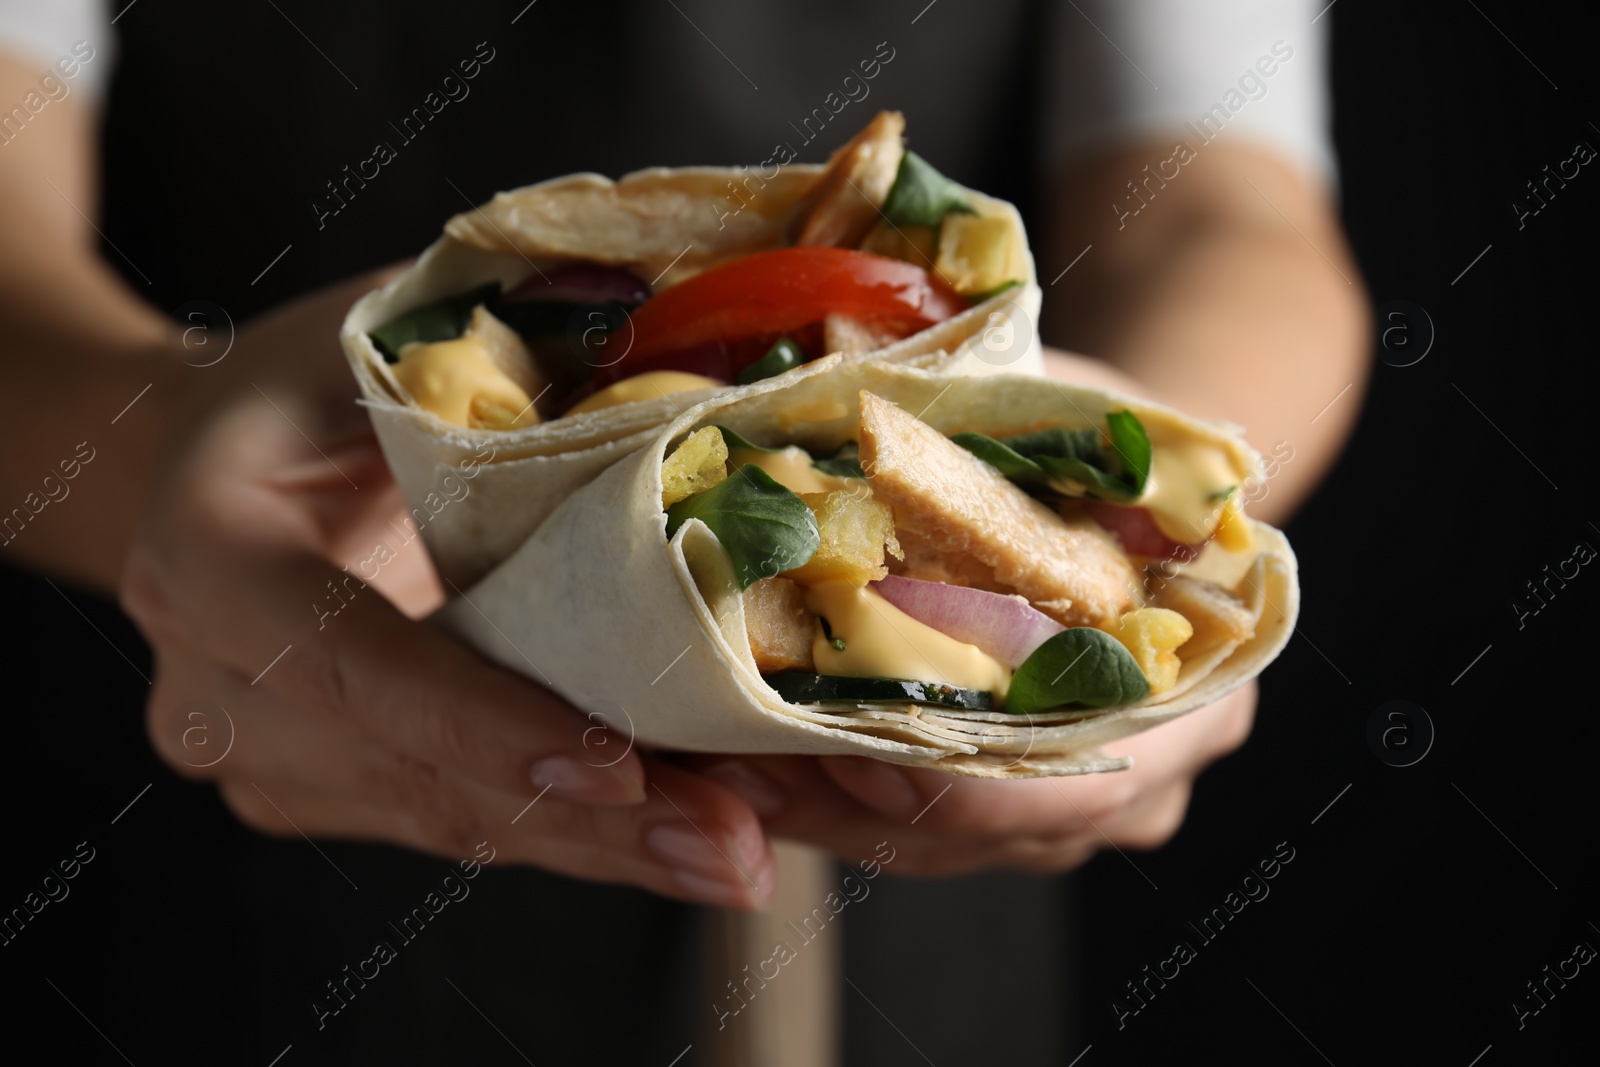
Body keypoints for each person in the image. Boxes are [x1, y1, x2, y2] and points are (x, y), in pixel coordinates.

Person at [0, 1, 1366, 1062]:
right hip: (247, 826)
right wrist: (162, 457)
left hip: (925, 926)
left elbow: (1224, 212)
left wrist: (1141, 484)